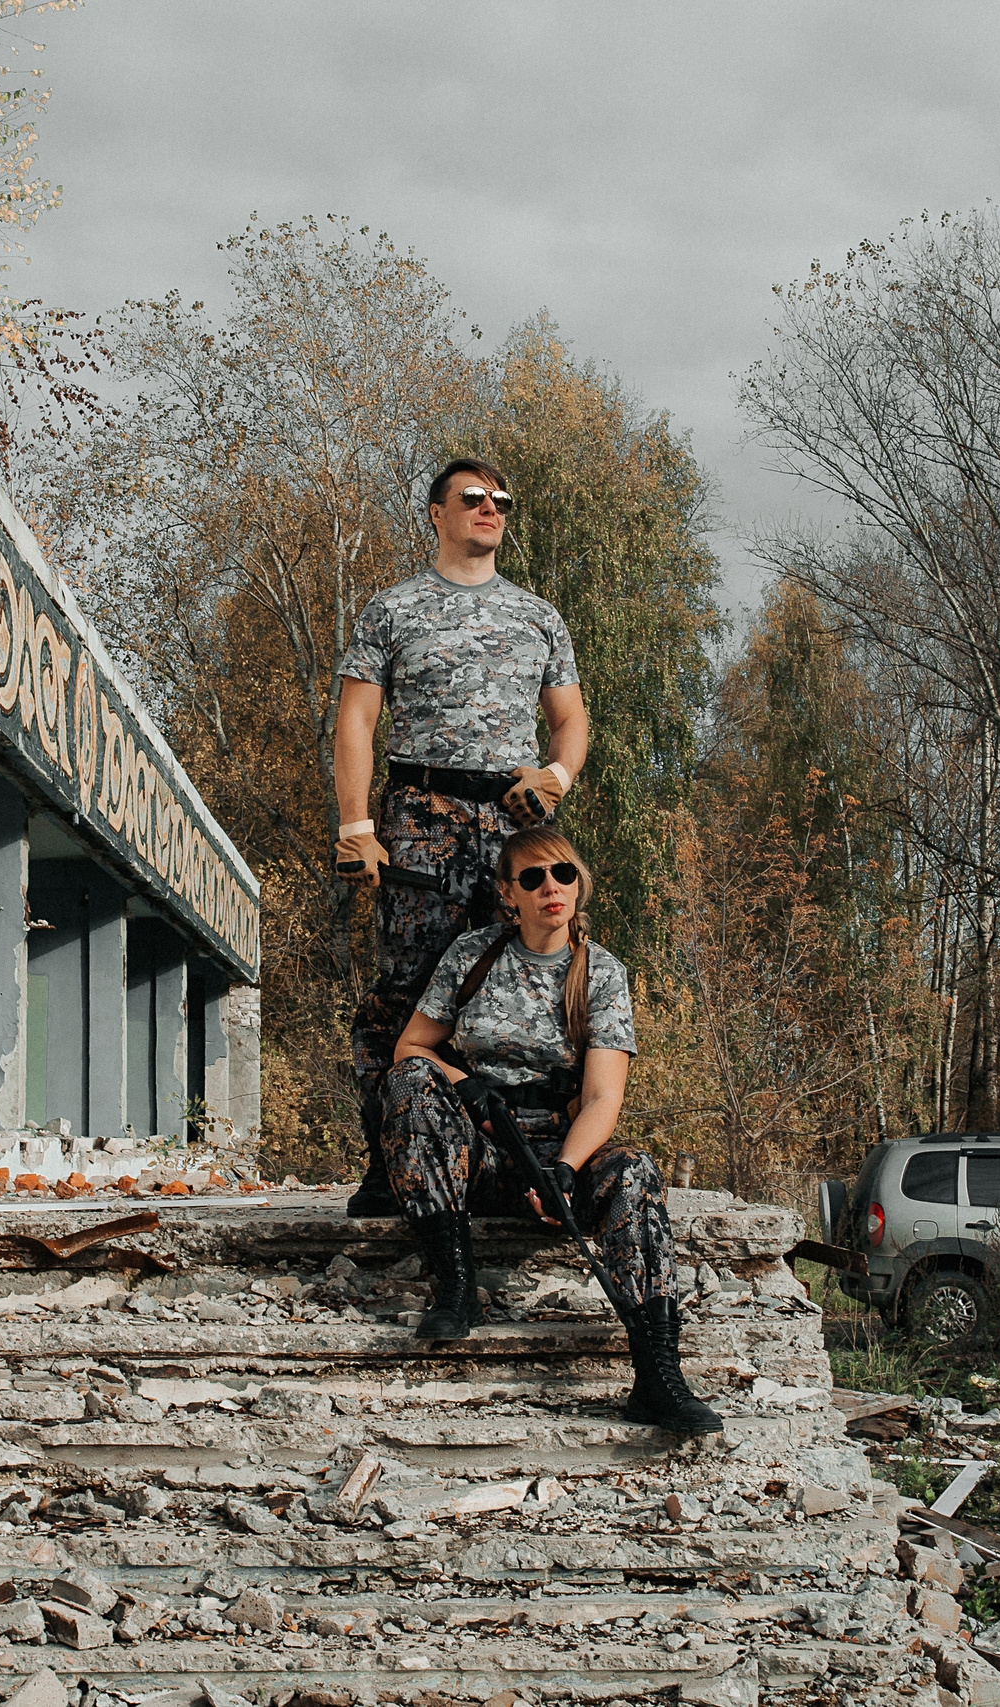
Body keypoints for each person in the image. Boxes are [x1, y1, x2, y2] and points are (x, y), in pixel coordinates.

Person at [377, 826, 723, 1436]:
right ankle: (456, 1290)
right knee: (407, 1082)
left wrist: (564, 1171)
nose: (551, 888)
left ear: (579, 881)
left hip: (561, 1148)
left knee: (636, 1171)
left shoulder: (601, 974)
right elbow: (412, 1047)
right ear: (509, 893)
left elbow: (601, 1097)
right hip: (479, 1148)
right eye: (532, 878)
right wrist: (462, 1083)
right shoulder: (471, 955)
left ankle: (659, 1376)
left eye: (562, 873)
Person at [333, 457, 589, 1218]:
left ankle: (517, 1162)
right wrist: (356, 826)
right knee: (408, 991)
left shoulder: (539, 615)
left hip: (515, 824)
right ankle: (394, 1162)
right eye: (473, 498)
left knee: (526, 988)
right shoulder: (392, 609)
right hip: (422, 818)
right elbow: (356, 718)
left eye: (502, 501)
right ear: (437, 513)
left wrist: (557, 778)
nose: (490, 510)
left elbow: (570, 719)